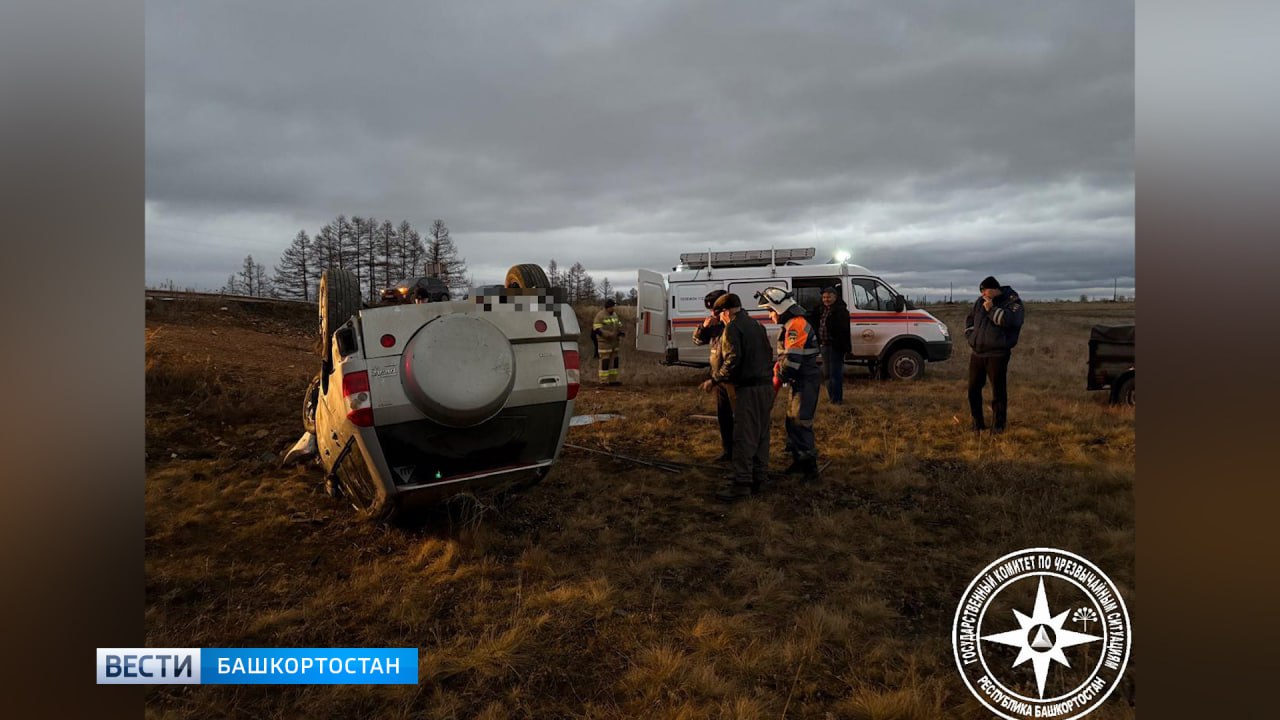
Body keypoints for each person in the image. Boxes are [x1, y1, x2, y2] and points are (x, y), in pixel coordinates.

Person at [700, 293, 774, 501]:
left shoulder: (733, 327)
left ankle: (741, 484)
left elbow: (732, 360)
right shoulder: (757, 325)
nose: (720, 318)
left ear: (726, 311)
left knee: (744, 436)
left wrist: (714, 380)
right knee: (761, 434)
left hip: (747, 389)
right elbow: (768, 353)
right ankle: (760, 478)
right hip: (765, 386)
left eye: (720, 314)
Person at [758, 287, 822, 482]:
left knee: (801, 422)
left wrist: (779, 376)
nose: (769, 316)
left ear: (781, 308)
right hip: (800, 380)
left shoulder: (796, 326)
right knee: (792, 421)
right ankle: (799, 461)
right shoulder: (792, 325)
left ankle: (809, 468)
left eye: (770, 311)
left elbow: (792, 360)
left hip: (805, 379)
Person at [965, 276, 1025, 433]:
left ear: (994, 289)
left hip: (998, 354)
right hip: (977, 353)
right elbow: (970, 320)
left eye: (985, 290)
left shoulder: (1012, 302)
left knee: (998, 391)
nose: (983, 294)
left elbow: (1009, 321)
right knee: (973, 389)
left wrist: (991, 308)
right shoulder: (980, 301)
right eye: (981, 291)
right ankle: (977, 423)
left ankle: (998, 426)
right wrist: (970, 336)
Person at [692, 289, 733, 463]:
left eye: (715, 310)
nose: (712, 314)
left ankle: (742, 452)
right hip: (719, 379)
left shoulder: (734, 324)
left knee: (738, 417)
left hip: (733, 379)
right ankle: (728, 450)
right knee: (724, 416)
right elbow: (697, 341)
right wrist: (704, 327)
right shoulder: (714, 324)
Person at [807, 285, 851, 404]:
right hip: (824, 346)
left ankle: (837, 399)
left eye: (829, 297)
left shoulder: (841, 311)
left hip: (836, 346)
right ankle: (831, 397)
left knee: (835, 373)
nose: (826, 299)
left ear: (835, 297)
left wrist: (840, 344)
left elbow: (843, 330)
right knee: (826, 374)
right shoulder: (821, 310)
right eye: (824, 297)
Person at [592, 298, 625, 385]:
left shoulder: (614, 315)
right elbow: (596, 329)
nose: (614, 308)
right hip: (604, 343)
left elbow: (618, 324)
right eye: (612, 307)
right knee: (605, 361)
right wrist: (607, 334)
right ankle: (603, 381)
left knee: (614, 361)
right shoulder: (600, 315)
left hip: (614, 343)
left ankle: (613, 380)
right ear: (608, 307)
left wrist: (620, 332)